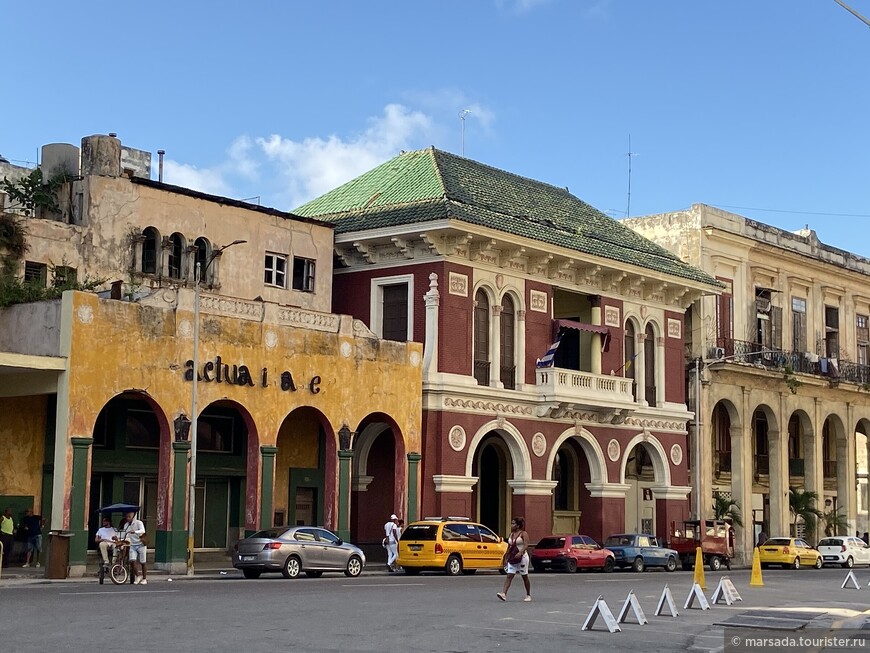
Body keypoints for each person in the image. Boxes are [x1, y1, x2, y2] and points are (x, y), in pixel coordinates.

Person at [497, 516, 531, 602]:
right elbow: (509, 546)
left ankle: (528, 594)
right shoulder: (511, 534)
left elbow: (526, 545)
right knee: (509, 576)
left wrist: (520, 553)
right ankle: (504, 594)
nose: (511, 525)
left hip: (522, 558)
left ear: (518, 526)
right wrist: (506, 556)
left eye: (513, 524)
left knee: (524, 577)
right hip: (513, 558)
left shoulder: (523, 534)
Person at [120, 510, 148, 585]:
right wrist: (118, 539)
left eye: (129, 517)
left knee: (143, 562)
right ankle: (138, 576)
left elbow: (143, 530)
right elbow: (124, 534)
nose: (128, 518)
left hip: (141, 544)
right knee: (132, 560)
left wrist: (135, 532)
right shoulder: (126, 525)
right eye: (127, 517)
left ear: (133, 517)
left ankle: (144, 578)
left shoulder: (139, 523)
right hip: (133, 545)